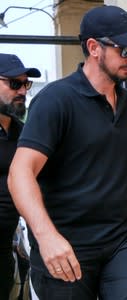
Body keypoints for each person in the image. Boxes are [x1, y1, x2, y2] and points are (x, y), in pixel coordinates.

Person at [7, 5, 127, 300]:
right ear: (94, 47)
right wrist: (46, 238)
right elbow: (20, 173)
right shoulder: (55, 101)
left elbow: (123, 143)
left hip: (123, 237)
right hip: (67, 245)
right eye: (125, 50)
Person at [0, 53, 40, 300]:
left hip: (8, 248)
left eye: (25, 84)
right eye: (14, 84)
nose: (22, 91)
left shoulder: (23, 133)